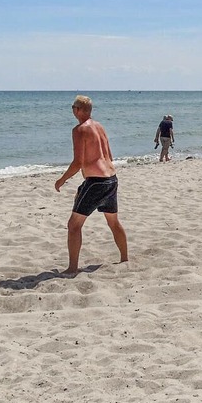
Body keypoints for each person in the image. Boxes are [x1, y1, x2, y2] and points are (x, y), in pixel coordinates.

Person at [54, 95, 128, 275]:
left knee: (74, 225)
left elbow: (77, 162)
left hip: (96, 182)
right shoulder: (99, 126)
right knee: (113, 222)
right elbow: (109, 155)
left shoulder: (79, 130)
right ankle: (125, 258)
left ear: (78, 110)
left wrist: (62, 180)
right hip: (111, 179)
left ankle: (72, 268)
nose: (72, 110)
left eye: (73, 107)